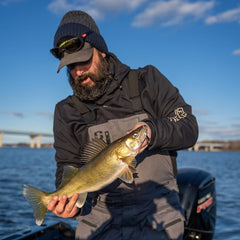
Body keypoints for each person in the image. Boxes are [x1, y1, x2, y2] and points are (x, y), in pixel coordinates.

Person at [47, 10, 198, 240]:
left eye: (83, 60)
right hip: (99, 224)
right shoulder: (66, 112)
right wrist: (70, 203)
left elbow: (188, 125)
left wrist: (152, 130)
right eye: (70, 66)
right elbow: (66, 167)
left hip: (157, 220)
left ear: (102, 51)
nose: (78, 71)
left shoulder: (148, 81)